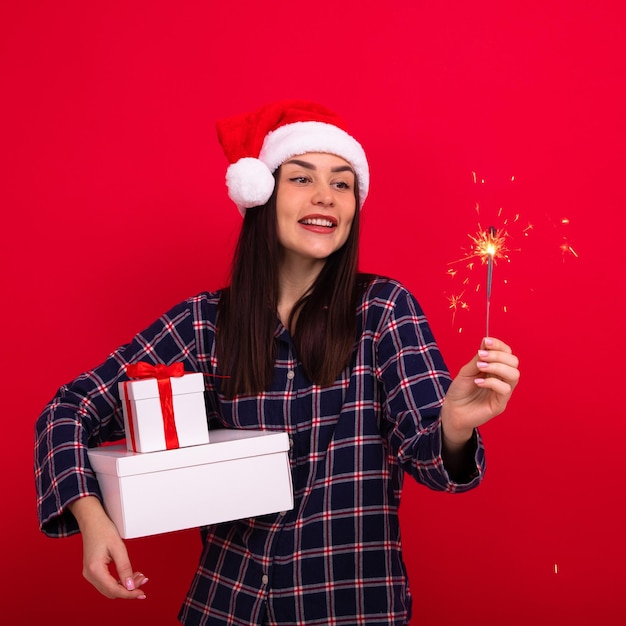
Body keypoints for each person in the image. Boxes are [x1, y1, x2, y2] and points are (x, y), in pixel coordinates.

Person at [34, 100, 520, 626]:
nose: (325, 198)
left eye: (341, 183)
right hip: (225, 606)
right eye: (302, 178)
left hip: (351, 608)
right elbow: (69, 409)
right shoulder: (203, 323)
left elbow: (433, 462)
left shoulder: (383, 310)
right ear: (261, 194)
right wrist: (91, 517)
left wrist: (453, 428)